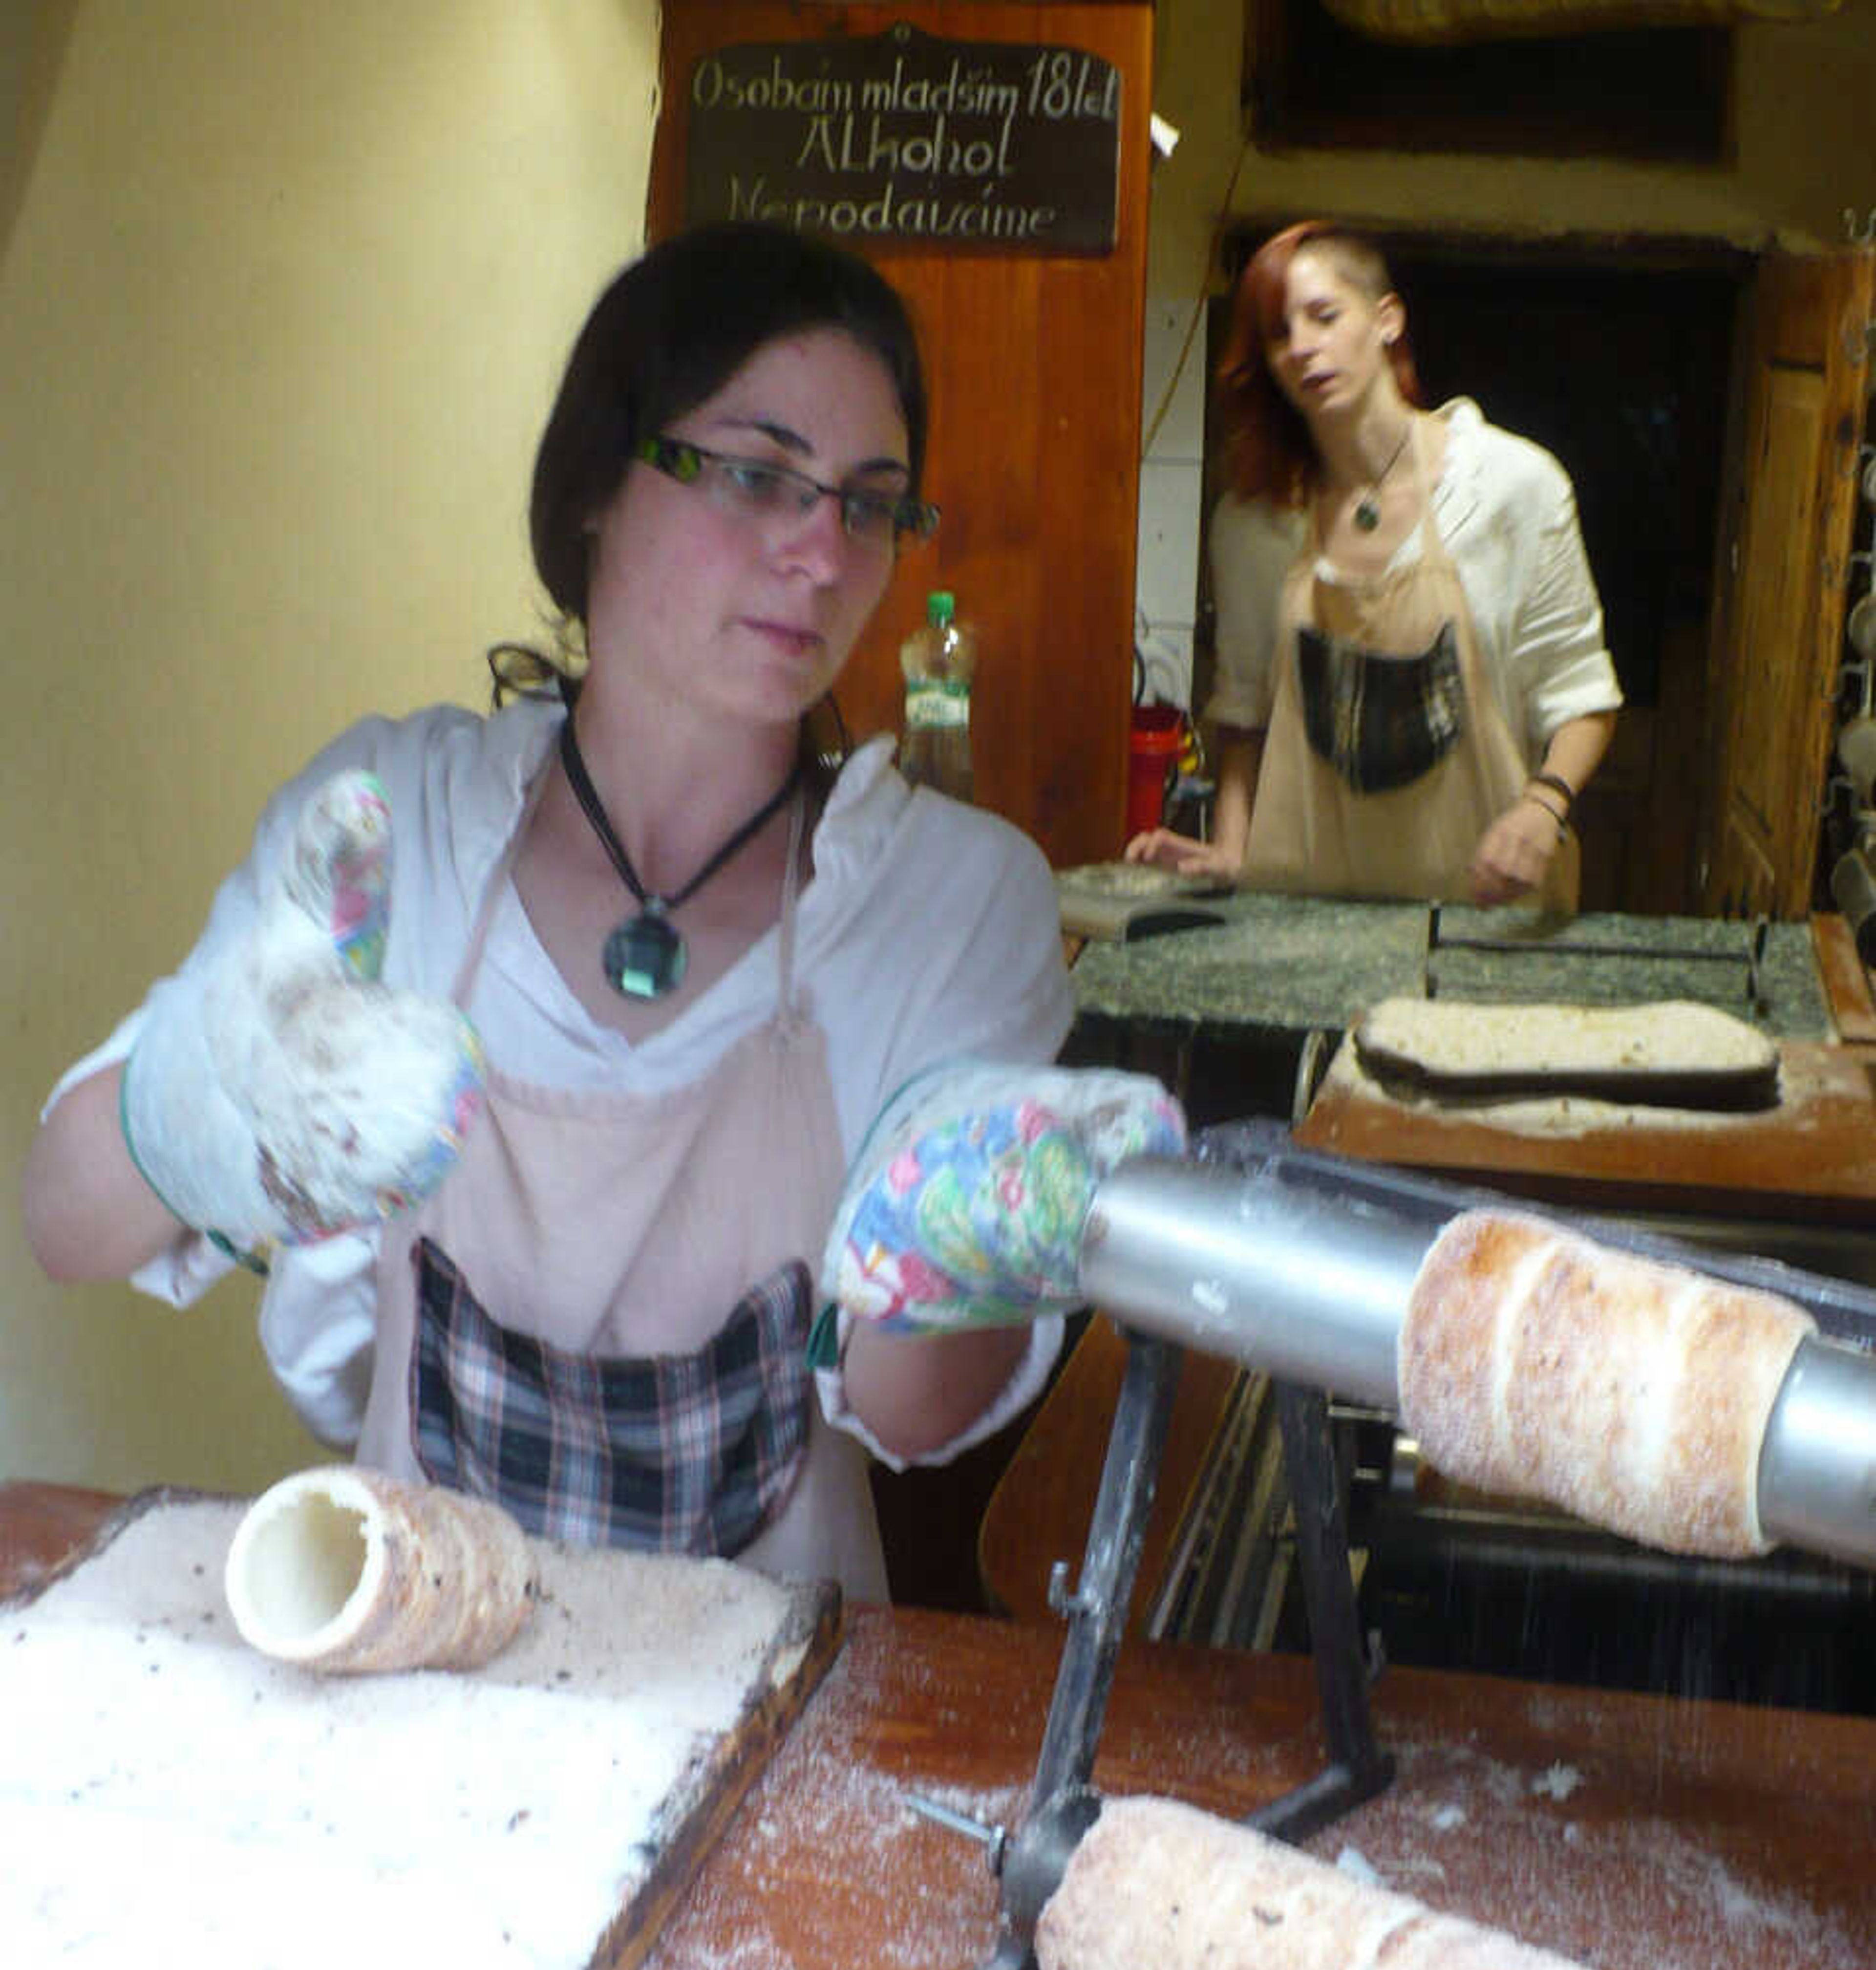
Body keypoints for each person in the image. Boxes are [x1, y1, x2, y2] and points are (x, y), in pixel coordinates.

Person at [21, 220, 1083, 1605]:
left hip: (769, 1743)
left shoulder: (944, 901)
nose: (824, 555)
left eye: (869, 501)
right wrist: (208, 1100)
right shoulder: (398, 827)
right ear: (597, 482)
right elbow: (66, 1224)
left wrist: (972, 1241)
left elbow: (924, 1411)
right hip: (404, 1681)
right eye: (757, 474)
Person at [1127, 221, 1620, 909]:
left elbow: (1582, 695)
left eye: (1325, 317)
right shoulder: (1254, 524)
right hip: (1305, 923)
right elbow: (1244, 719)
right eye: (1278, 333)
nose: (1303, 347)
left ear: (1387, 319)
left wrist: (1544, 806)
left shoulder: (1510, 487)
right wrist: (1230, 853)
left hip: (1483, 920)